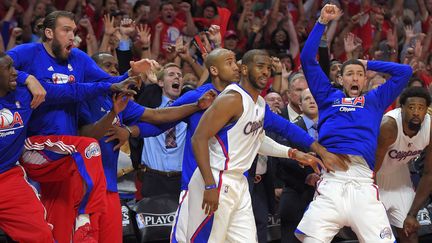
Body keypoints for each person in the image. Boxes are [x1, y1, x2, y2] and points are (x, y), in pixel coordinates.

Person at [7, 10, 152, 243]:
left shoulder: (78, 58)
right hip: (35, 147)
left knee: (59, 214)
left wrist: (131, 73)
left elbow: (108, 82)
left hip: (64, 152)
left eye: (74, 31)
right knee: (88, 148)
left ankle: (73, 225)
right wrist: (28, 79)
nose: (72, 37)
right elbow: (3, 66)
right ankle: (85, 217)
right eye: (66, 30)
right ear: (48, 33)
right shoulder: (28, 53)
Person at [186, 49, 344, 242]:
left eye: (268, 68)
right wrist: (210, 184)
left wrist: (295, 153)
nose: (265, 72)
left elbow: (267, 136)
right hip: (216, 178)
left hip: (239, 183)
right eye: (260, 66)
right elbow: (198, 138)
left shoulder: (259, 103)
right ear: (244, 69)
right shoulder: (232, 99)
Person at [295, 4, 413, 243]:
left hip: (362, 182)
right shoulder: (327, 96)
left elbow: (405, 71)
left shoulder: (375, 100)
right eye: (349, 73)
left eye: (360, 74)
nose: (355, 77)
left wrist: (366, 63)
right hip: (332, 180)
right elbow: (307, 58)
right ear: (341, 79)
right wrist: (321, 22)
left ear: (365, 78)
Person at [0, 52, 134, 243]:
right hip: (32, 153)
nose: (15, 73)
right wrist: (27, 76)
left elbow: (72, 91)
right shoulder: (29, 62)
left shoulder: (25, 94)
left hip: (8, 176)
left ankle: (83, 219)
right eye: (9, 69)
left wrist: (112, 85)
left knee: (43, 235)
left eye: (15, 68)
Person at [80, 54, 215, 243]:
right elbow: (88, 136)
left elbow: (157, 116)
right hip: (85, 185)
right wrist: (113, 114)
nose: (113, 69)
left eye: (115, 66)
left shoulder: (120, 102)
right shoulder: (83, 100)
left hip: (110, 187)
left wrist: (196, 105)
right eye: (107, 65)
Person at [375, 87, 432, 243]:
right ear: (401, 109)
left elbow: (429, 174)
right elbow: (371, 167)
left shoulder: (430, 127)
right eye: (411, 107)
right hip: (374, 178)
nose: (416, 112)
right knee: (378, 236)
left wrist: (412, 214)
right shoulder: (389, 126)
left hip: (399, 177)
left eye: (421, 108)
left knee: (410, 232)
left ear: (426, 110)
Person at [276, 88, 320, 243]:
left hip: (326, 196)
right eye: (307, 98)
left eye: (314, 98)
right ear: (300, 105)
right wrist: (306, 173)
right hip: (297, 194)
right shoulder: (290, 126)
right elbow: (282, 158)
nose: (312, 101)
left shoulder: (331, 128)